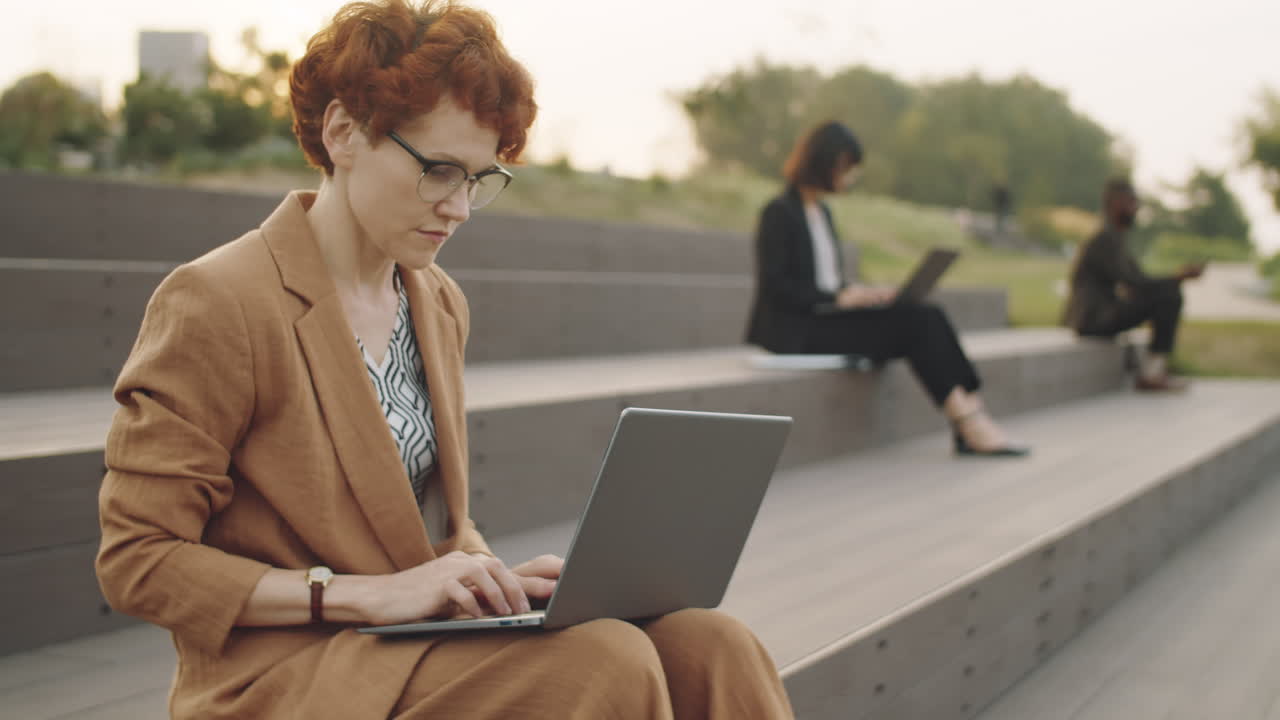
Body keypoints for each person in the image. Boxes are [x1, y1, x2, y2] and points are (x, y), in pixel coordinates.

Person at [94, 2, 794, 718]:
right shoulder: (219, 300)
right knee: (602, 662)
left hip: (410, 642)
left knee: (711, 642)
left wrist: (492, 580)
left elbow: (430, 528)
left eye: (479, 179)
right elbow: (138, 559)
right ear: (343, 132)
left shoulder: (436, 301)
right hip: (288, 673)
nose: (458, 208)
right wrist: (361, 594)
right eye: (439, 171)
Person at [745, 121, 1027, 457]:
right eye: (845, 167)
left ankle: (972, 406)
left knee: (927, 312)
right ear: (824, 161)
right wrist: (837, 297)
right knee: (915, 321)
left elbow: (826, 279)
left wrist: (862, 294)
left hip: (828, 315)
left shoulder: (822, 213)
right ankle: (967, 421)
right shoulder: (778, 212)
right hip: (798, 329)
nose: (849, 176)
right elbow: (777, 287)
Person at [1063, 178, 1203, 392]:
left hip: (1103, 313)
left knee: (1168, 291)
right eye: (1132, 202)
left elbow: (1139, 279)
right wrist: (1176, 278)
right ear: (1116, 203)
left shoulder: (1116, 238)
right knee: (1169, 295)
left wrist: (1175, 279)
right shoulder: (1104, 239)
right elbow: (1133, 282)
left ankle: (1156, 369)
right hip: (1093, 318)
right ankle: (1152, 373)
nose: (1136, 208)